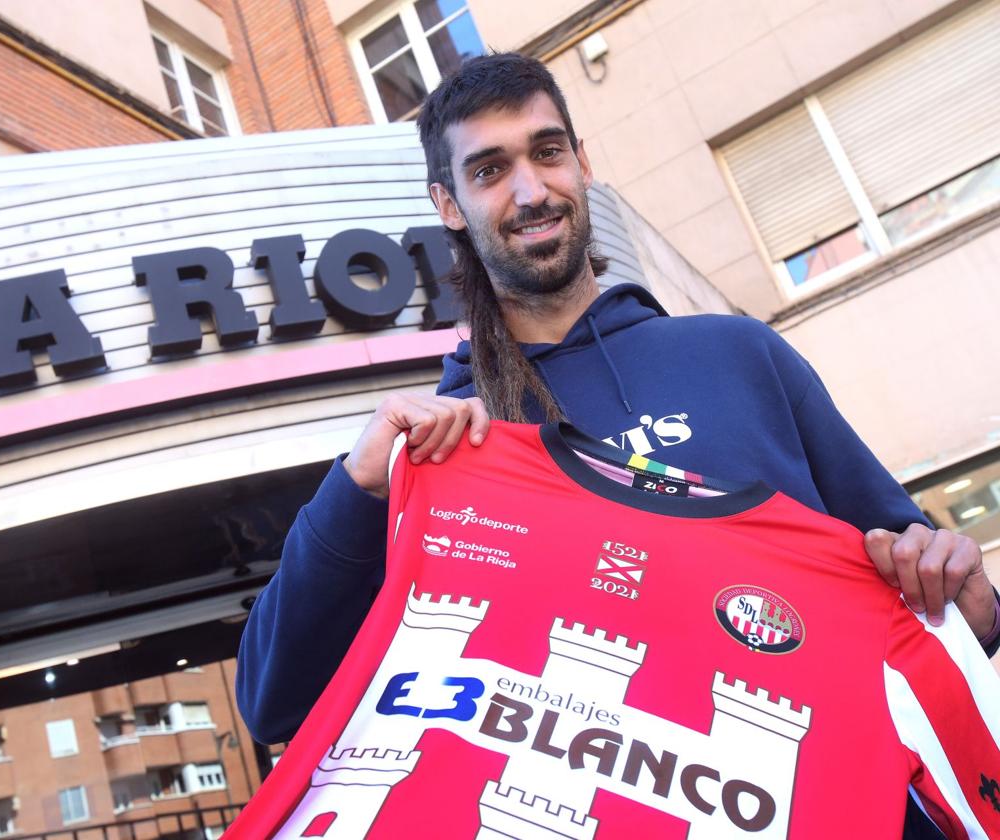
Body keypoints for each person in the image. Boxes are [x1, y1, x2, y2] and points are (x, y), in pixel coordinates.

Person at [236, 51, 997, 798]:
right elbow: (271, 700)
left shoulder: (739, 355)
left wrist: (972, 605)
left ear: (583, 163)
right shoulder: (445, 449)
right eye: (490, 170)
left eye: (547, 152)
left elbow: (924, 589)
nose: (531, 190)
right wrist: (362, 485)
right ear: (448, 205)